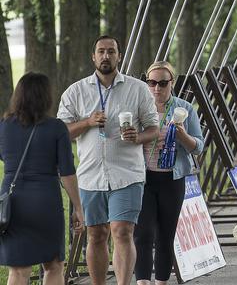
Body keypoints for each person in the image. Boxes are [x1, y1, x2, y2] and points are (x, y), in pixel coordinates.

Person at [57, 36, 159, 285]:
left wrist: (138, 137)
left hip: (127, 174)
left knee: (122, 232)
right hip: (91, 176)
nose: (106, 56)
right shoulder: (76, 91)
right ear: (93, 57)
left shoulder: (137, 89)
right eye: (101, 52)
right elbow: (60, 132)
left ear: (119, 56)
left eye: (111, 52)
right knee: (96, 234)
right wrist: (87, 122)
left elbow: (154, 129)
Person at [0, 73, 84, 285]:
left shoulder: (4, 125)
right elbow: (67, 172)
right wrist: (78, 207)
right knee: (53, 266)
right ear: (46, 96)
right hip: (46, 203)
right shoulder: (56, 128)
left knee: (18, 271)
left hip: (13, 203)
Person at [134, 61, 204, 285]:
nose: (157, 88)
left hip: (172, 180)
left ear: (172, 83)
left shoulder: (184, 109)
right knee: (143, 234)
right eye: (152, 82)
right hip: (143, 178)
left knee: (165, 235)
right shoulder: (139, 108)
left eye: (163, 83)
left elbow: (198, 147)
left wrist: (182, 135)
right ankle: (143, 281)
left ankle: (162, 281)